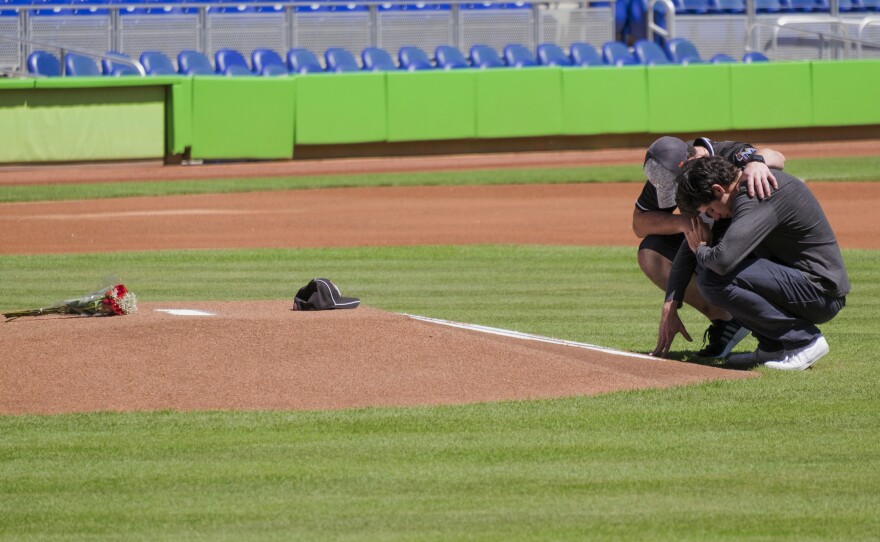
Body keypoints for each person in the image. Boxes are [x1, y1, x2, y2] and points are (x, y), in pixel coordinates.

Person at [654, 156, 849, 370]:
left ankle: (804, 341)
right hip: (806, 286)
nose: (713, 217)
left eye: (709, 210)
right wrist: (673, 300)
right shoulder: (739, 195)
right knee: (709, 267)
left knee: (714, 279)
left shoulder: (756, 193)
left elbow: (722, 261)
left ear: (719, 190)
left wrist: (701, 249)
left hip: (820, 292)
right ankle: (772, 347)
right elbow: (695, 251)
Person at [634, 136, 786, 357]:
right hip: (715, 242)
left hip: (755, 244)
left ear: (691, 163)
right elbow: (639, 223)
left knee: (723, 261)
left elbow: (778, 157)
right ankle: (727, 321)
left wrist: (757, 162)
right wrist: (686, 223)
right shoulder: (667, 171)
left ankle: (774, 328)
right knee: (651, 252)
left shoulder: (727, 154)